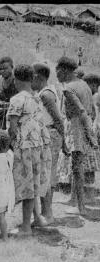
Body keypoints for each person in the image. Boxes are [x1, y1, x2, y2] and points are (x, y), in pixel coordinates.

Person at [7, 64, 51, 236]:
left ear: (16, 80)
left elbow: (12, 128)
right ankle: (37, 218)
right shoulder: (36, 97)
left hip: (25, 148)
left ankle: (25, 227)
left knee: (27, 189)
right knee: (33, 185)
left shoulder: (17, 99)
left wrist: (6, 147)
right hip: (38, 147)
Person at [56, 56, 97, 215]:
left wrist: (89, 134)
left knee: (77, 166)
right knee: (76, 165)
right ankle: (73, 199)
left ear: (65, 70)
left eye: (57, 71)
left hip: (77, 126)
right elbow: (91, 111)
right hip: (82, 126)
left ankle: (80, 207)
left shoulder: (69, 88)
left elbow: (81, 111)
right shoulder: (84, 84)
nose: (57, 75)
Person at [32, 62, 69, 224]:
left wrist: (65, 142)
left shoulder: (46, 95)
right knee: (46, 175)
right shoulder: (44, 92)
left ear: (37, 77)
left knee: (46, 176)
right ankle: (46, 212)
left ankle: (48, 213)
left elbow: (58, 119)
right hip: (48, 135)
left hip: (50, 135)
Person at [82, 74, 100, 202]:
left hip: (91, 134)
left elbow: (93, 117)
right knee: (89, 166)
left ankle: (89, 195)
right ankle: (89, 193)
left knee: (89, 167)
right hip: (91, 134)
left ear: (93, 85)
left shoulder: (93, 97)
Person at [0, 56, 18, 130]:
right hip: (0, 117)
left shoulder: (17, 82)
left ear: (12, 67)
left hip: (14, 117)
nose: (3, 71)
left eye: (5, 68)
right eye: (1, 69)